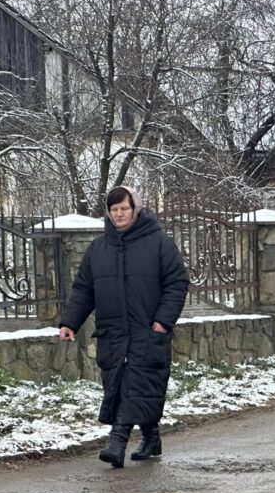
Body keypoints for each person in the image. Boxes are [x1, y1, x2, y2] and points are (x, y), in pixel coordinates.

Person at [58, 186, 189, 468]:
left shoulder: (159, 243)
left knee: (137, 383)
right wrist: (70, 322)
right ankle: (151, 435)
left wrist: (163, 321)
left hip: (148, 328)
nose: (119, 214)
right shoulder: (98, 248)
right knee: (119, 384)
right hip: (113, 332)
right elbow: (84, 289)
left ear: (136, 209)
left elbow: (177, 283)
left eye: (124, 209)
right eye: (114, 209)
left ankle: (117, 442)